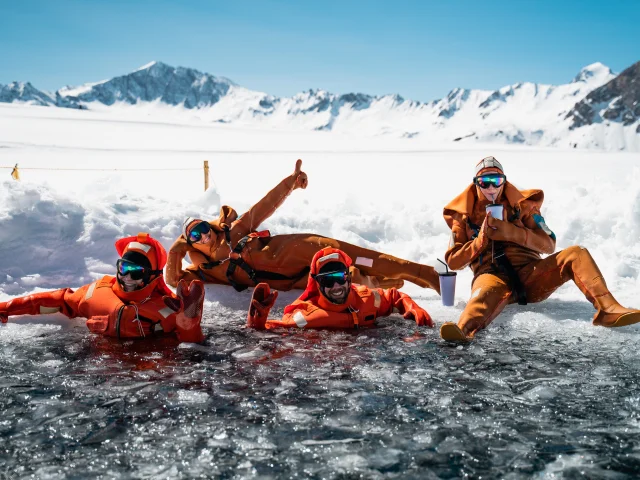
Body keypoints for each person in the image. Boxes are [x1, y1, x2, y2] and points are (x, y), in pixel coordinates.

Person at [439, 156, 640, 342]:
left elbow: (549, 243)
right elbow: (453, 261)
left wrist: (513, 232)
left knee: (576, 253)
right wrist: (480, 240)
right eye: (484, 182)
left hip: (531, 274)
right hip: (490, 276)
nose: (491, 187)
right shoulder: (462, 216)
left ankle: (607, 308)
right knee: (482, 296)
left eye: (496, 181)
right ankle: (463, 331)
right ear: (476, 183)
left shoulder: (524, 206)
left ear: (504, 181)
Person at [166, 159, 440, 294]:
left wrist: (290, 184)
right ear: (188, 243)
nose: (203, 235)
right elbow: (173, 281)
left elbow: (264, 205)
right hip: (293, 279)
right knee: (351, 280)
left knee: (364, 258)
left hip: (300, 249)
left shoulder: (233, 230)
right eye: (193, 235)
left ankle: (428, 275)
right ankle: (387, 285)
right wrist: (175, 252)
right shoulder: (205, 270)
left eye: (203, 227)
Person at [0, 233, 205, 343]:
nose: (126, 276)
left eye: (135, 271)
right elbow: (57, 301)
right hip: (98, 375)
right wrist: (7, 307)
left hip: (148, 375)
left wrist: (190, 327)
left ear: (153, 276)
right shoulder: (96, 293)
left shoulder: (169, 307)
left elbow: (192, 350)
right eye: (123, 267)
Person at [245, 247, 433, 330]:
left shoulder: (368, 298)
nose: (336, 286)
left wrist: (411, 307)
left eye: (339, 277)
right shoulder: (305, 315)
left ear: (348, 278)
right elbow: (274, 329)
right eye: (327, 281)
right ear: (317, 284)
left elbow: (393, 297)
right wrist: (257, 319)